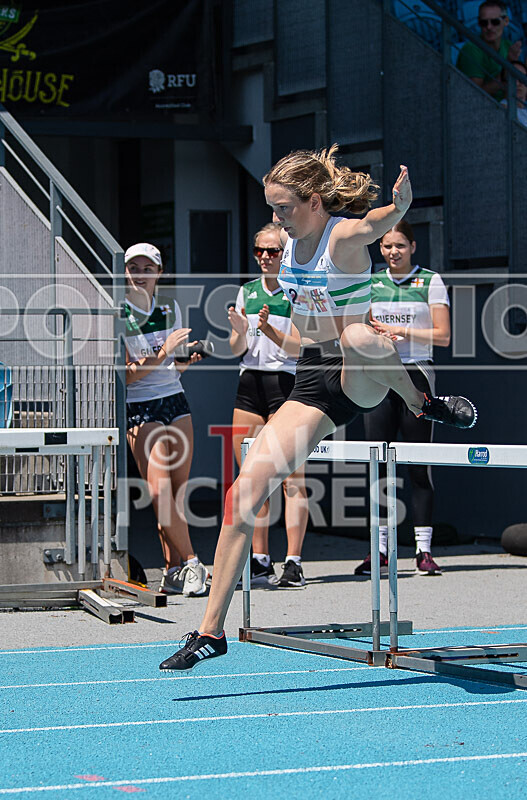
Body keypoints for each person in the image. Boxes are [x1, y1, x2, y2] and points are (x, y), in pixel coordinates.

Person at [159, 145, 477, 671]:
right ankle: (209, 631)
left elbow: (378, 222)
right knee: (243, 495)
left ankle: (424, 403)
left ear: (312, 201)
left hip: (360, 374)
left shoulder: (342, 238)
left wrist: (399, 208)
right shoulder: (287, 241)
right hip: (311, 380)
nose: (276, 219)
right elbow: (302, 331)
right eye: (272, 208)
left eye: (283, 208)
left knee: (362, 335)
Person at [354, 220, 451, 578]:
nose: (392, 252)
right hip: (380, 376)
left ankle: (423, 551)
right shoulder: (371, 281)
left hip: (417, 374)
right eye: (385, 246)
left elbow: (442, 335)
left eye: (399, 246)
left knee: (417, 465)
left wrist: (401, 330)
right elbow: (358, 326)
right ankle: (379, 551)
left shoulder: (430, 280)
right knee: (379, 465)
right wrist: (375, 336)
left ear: (412, 246)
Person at [124, 242, 209, 597]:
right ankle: (193, 562)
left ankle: (173, 570)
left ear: (159, 272)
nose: (140, 274)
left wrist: (185, 360)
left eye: (147, 268)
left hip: (175, 400)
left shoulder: (168, 306)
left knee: (175, 493)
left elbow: (169, 365)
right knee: (159, 491)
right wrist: (162, 353)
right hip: (140, 407)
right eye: (133, 267)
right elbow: (128, 376)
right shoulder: (119, 312)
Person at [228, 222, 308, 588]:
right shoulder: (247, 291)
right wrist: (239, 330)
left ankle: (294, 561)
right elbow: (236, 350)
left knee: (293, 478)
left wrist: (270, 329)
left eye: (272, 251)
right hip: (250, 383)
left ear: (284, 253)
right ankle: (260, 559)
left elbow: (298, 347)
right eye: (258, 250)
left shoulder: (296, 291)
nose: (264, 257)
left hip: (284, 383)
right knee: (251, 474)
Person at [457, 1, 523, 101]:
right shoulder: (471, 49)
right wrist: (507, 68)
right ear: (479, 23)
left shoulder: (507, 45)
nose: (489, 27)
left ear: (506, 21)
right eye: (484, 23)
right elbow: (474, 94)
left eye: (495, 22)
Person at [500, 59, 527, 125]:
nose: (518, 83)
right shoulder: (501, 109)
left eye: (521, 78)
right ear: (504, 84)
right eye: (513, 79)